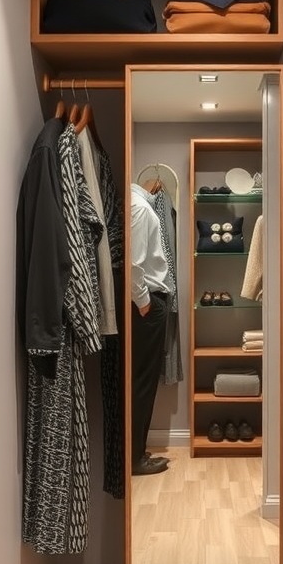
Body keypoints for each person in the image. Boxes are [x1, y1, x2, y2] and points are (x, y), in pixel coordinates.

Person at [130, 183, 171, 474]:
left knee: (141, 380)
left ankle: (137, 451)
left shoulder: (136, 204)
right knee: (143, 381)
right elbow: (135, 263)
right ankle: (135, 457)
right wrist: (144, 302)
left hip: (147, 305)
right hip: (146, 307)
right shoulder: (142, 208)